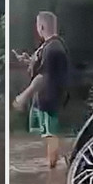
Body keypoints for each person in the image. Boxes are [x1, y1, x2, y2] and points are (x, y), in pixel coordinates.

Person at [13, 11, 70, 170]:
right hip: (44, 99)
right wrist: (28, 61)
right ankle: (59, 161)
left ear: (42, 26)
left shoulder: (53, 48)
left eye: (37, 25)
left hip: (50, 99)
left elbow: (43, 76)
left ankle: (55, 167)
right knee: (47, 134)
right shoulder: (48, 46)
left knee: (51, 135)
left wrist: (24, 96)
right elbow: (42, 66)